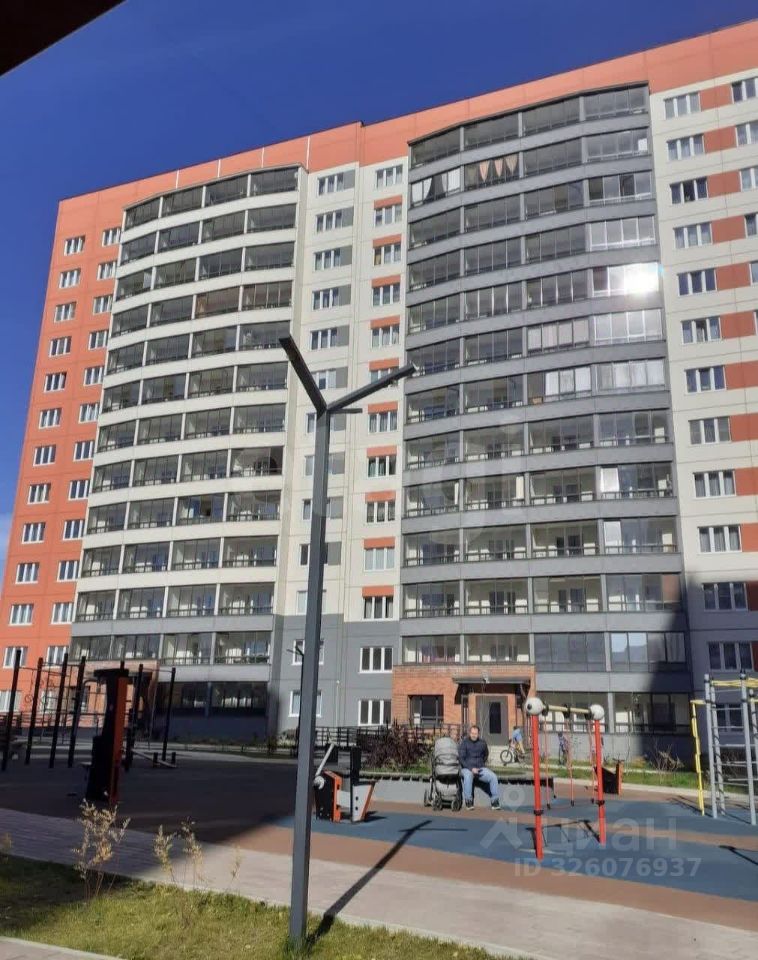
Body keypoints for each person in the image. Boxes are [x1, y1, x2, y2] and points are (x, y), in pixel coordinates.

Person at [458, 724, 501, 810]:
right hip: (467, 768)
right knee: (468, 776)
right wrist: (471, 768)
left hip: (480, 768)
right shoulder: (464, 743)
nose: (474, 735)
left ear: (478, 734)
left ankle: (495, 801)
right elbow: (461, 759)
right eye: (472, 733)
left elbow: (486, 755)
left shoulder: (482, 743)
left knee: (493, 777)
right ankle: (469, 801)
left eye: (476, 733)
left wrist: (481, 765)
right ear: (470, 733)